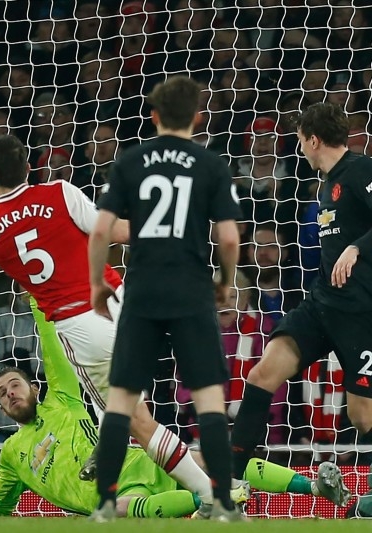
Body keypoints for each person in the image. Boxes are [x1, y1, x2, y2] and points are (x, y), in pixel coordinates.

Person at [0, 134, 218, 508]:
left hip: (80, 324)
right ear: (30, 167)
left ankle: (211, 497)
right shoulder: (61, 192)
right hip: (124, 303)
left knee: (138, 423)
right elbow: (119, 232)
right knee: (128, 409)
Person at [0, 301, 351, 517]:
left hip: (138, 458)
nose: (10, 393)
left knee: (205, 458)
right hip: (116, 496)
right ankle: (214, 497)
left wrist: (37, 294)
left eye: (14, 384)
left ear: (32, 386)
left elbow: (51, 345)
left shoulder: (60, 397)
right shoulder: (11, 456)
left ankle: (314, 487)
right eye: (3, 394)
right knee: (126, 509)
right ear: (2, 411)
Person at [88, 75, 242, 521]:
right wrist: (226, 280)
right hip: (192, 290)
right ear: (197, 116)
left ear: (153, 116)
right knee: (209, 398)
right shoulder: (210, 163)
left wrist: (99, 282)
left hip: (142, 291)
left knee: (121, 400)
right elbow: (229, 238)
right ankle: (223, 503)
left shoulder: (130, 162)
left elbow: (100, 230)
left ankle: (104, 505)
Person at [226, 102, 372, 519]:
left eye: (300, 142)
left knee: (364, 417)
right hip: (321, 305)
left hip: (360, 314)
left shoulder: (361, 171)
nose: (300, 151)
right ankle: (231, 487)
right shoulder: (324, 185)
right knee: (261, 375)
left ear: (313, 139)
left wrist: (357, 247)